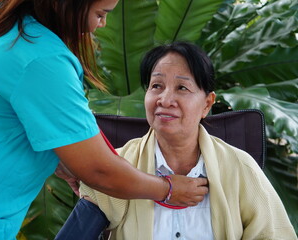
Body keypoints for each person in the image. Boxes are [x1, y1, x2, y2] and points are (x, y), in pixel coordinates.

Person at [0, 1, 210, 239]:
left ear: (208, 103)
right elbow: (99, 171)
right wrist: (168, 189)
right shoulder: (39, 58)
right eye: (101, 13)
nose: (102, 24)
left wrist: (61, 156)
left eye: (183, 89)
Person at [55, 41, 296, 240]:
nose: (165, 99)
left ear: (207, 104)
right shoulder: (115, 166)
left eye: (182, 88)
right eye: (156, 85)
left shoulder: (240, 168)